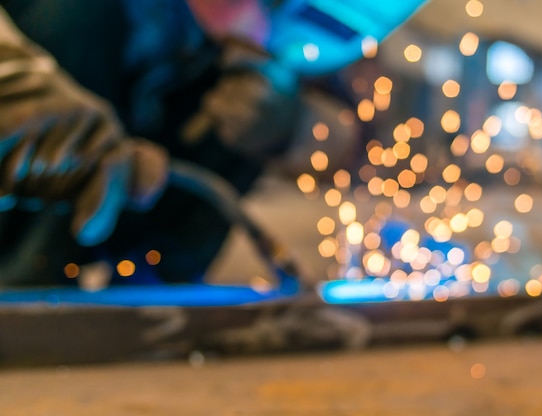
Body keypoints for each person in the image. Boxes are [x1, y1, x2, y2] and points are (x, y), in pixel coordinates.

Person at [0, 0, 360, 287]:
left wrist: (290, 126)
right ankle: (22, 279)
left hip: (134, 215)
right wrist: (15, 88)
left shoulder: (288, 35)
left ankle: (154, 293)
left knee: (253, 101)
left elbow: (355, 141)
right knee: (71, 18)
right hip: (25, 195)